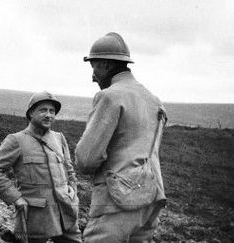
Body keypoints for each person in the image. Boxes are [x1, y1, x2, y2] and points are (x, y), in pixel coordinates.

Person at [75, 32, 167, 242]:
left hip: (117, 200)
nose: (92, 76)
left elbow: (86, 159)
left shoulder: (109, 96)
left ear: (106, 64)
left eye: (94, 67)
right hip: (151, 199)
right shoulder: (155, 100)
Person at [0, 91, 82, 243]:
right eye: (43, 110)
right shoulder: (16, 140)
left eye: (52, 111)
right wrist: (15, 198)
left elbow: (69, 170)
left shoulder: (59, 138)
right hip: (36, 216)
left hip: (66, 214)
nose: (49, 115)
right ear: (31, 113)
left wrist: (73, 193)